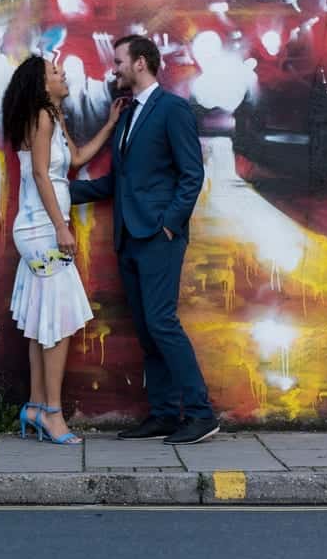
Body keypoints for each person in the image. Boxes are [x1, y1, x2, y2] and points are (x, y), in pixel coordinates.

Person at [70, 35, 220, 445]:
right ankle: (165, 414)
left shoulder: (172, 109)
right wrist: (54, 193)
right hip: (129, 237)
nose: (112, 68)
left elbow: (192, 174)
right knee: (147, 328)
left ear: (140, 63)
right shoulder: (127, 114)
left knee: (161, 322)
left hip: (157, 235)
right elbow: (117, 183)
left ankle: (202, 413)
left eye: (118, 61)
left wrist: (169, 225)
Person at [4, 55, 126, 445]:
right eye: (56, 72)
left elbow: (73, 161)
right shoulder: (40, 117)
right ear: (42, 85)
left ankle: (37, 408)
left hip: (44, 226)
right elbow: (41, 173)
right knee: (56, 322)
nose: (64, 74)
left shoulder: (52, 118)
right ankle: (53, 414)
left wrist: (109, 124)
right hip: (42, 228)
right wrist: (61, 227)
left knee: (44, 321)